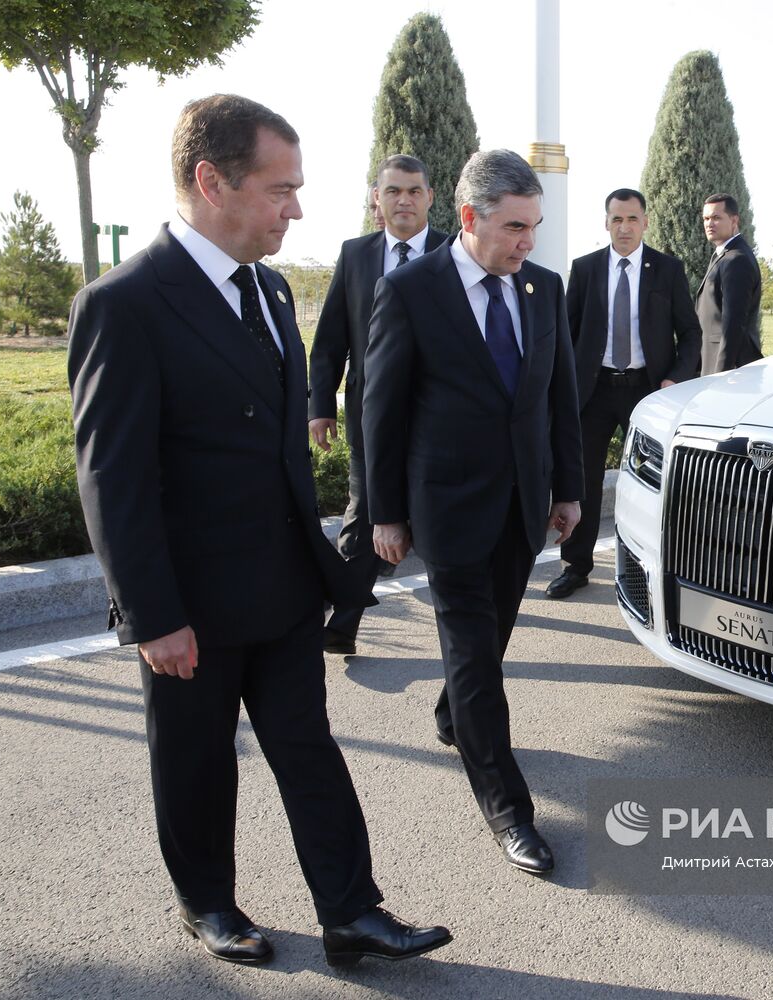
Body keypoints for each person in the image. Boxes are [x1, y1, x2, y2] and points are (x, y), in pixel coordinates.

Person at [67, 94, 451, 969]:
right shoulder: (125, 303)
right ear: (211, 181)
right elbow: (112, 477)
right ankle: (206, 901)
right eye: (281, 190)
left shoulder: (272, 291)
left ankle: (352, 911)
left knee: (309, 751)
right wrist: (149, 615)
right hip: (188, 603)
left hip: (279, 585)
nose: (298, 209)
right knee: (199, 765)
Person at [362, 149, 582, 875]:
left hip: (522, 508)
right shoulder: (410, 290)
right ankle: (507, 809)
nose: (528, 242)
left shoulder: (543, 290)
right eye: (515, 227)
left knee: (488, 647)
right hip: (447, 512)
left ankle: (451, 714)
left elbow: (559, 400)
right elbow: (380, 413)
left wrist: (570, 490)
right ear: (468, 218)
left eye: (535, 227)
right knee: (475, 657)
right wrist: (384, 514)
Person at [309, 154, 446, 656]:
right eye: (394, 191)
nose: (404, 200)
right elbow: (329, 341)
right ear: (377, 200)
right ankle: (343, 620)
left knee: (438, 518)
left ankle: (464, 623)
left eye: (414, 190)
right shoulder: (356, 255)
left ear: (430, 197)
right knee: (365, 512)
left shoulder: (456, 255)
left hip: (438, 418)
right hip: (372, 417)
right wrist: (320, 404)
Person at [546, 188, 700, 599]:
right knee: (583, 480)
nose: (625, 227)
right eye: (617, 219)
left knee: (659, 481)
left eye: (632, 219)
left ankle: (664, 565)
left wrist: (674, 379)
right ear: (606, 222)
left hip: (647, 392)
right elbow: (565, 333)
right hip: (593, 393)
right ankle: (575, 566)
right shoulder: (586, 269)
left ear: (645, 221)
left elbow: (689, 333)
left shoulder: (667, 269)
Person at [696, 193, 762, 375]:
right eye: (706, 218)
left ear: (734, 221)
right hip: (714, 361)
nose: (709, 224)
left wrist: (722, 373)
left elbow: (733, 323)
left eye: (716, 218)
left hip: (730, 369)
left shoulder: (736, 260)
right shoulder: (723, 255)